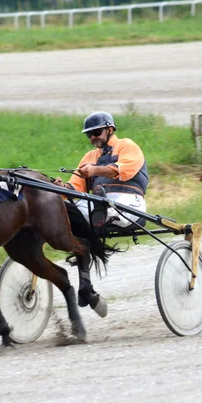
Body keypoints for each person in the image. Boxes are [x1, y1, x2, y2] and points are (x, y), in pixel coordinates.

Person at [54, 111, 149, 318]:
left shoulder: (127, 146)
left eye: (96, 132)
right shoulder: (89, 158)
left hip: (129, 202)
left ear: (109, 129)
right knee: (64, 211)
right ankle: (86, 283)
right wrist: (60, 188)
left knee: (99, 204)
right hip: (96, 203)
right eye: (89, 135)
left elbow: (121, 170)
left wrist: (95, 171)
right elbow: (75, 188)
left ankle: (101, 211)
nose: (93, 138)